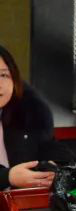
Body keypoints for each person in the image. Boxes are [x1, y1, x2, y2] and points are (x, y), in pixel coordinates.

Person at [0, 44, 71, 189]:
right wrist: (8, 177)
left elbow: (47, 146)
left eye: (3, 75)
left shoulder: (26, 112)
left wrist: (58, 165)